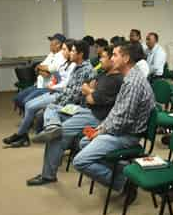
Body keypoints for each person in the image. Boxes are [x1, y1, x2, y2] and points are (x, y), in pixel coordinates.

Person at [26, 46, 123, 185]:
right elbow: (88, 87)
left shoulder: (116, 80)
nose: (100, 60)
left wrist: (90, 91)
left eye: (103, 57)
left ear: (112, 60)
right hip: (84, 109)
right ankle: (52, 125)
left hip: (96, 116)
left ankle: (48, 175)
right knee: (52, 107)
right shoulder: (103, 73)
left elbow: (90, 97)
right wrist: (91, 90)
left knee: (57, 135)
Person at [73, 42, 155, 193]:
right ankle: (125, 169)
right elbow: (116, 111)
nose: (111, 58)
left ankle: (123, 184)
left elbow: (123, 121)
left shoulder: (133, 83)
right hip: (121, 130)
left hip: (127, 135)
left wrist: (101, 132)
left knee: (79, 161)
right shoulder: (129, 77)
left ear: (126, 58)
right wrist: (100, 128)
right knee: (84, 142)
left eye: (115, 55)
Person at [2, 39, 76, 147]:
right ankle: (23, 135)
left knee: (30, 106)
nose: (62, 51)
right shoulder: (64, 62)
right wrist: (52, 81)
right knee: (27, 104)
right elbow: (48, 73)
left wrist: (53, 85)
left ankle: (20, 135)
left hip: (60, 93)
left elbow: (65, 84)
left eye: (65, 49)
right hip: (53, 89)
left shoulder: (73, 65)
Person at [23, 40, 95, 145]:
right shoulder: (77, 67)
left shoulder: (85, 70)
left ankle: (51, 130)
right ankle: (51, 129)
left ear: (80, 54)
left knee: (48, 109)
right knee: (45, 110)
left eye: (73, 51)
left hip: (77, 107)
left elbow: (75, 96)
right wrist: (57, 102)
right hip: (68, 101)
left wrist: (58, 104)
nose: (70, 53)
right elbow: (68, 90)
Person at [14, 33, 66, 110]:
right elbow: (38, 67)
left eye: (52, 41)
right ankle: (29, 115)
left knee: (25, 101)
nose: (50, 43)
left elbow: (47, 72)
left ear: (58, 44)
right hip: (38, 84)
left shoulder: (61, 56)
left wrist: (41, 69)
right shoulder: (51, 54)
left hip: (47, 87)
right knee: (17, 98)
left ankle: (30, 117)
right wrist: (40, 68)